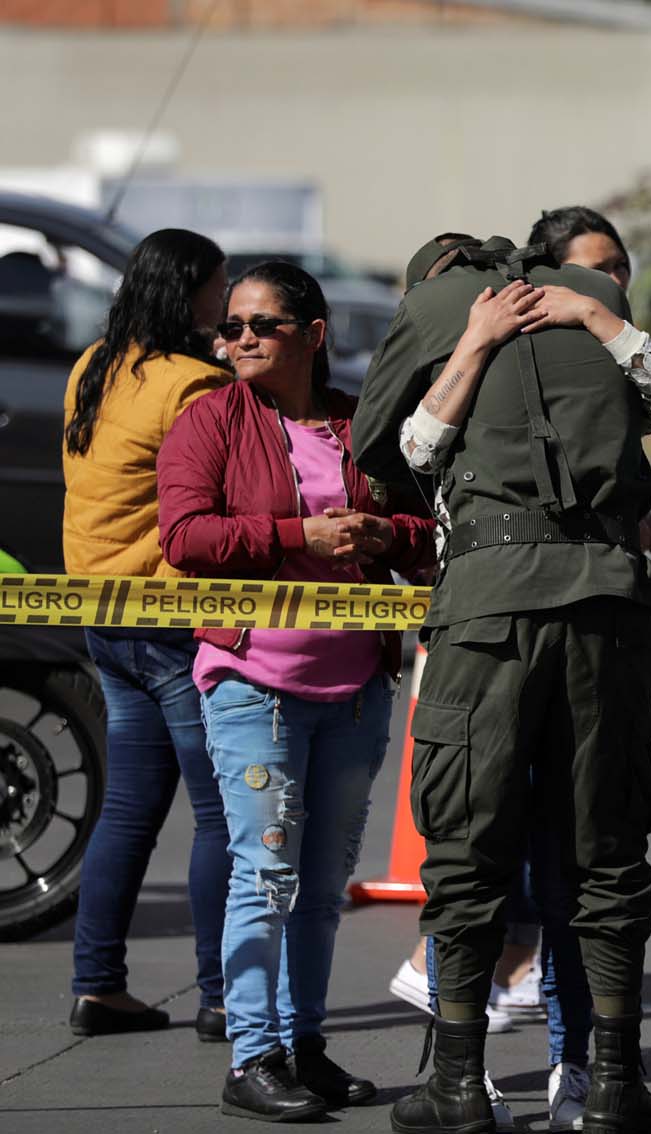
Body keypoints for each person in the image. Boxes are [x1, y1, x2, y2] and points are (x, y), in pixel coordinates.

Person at [352, 234, 651, 1134]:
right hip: (606, 606)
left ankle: (457, 1084)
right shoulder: (585, 299)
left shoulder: (433, 309)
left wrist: (464, 361)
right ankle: (612, 1084)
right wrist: (600, 320)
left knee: (465, 847)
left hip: (488, 613)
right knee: (607, 846)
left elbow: (384, 451)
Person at [156, 262, 437, 1122]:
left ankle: (301, 1043)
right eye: (230, 326)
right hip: (252, 682)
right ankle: (252, 1056)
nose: (238, 339)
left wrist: (380, 530)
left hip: (353, 686)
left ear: (313, 335)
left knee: (321, 886)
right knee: (265, 877)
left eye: (261, 326)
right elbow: (185, 535)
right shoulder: (207, 420)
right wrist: (297, 533)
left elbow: (429, 533)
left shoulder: (364, 424)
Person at [60, 228, 233, 1043]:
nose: (228, 301)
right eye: (220, 286)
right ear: (190, 291)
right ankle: (223, 994)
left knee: (127, 809)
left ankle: (98, 986)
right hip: (169, 621)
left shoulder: (91, 367)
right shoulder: (193, 384)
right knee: (220, 814)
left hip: (103, 616)